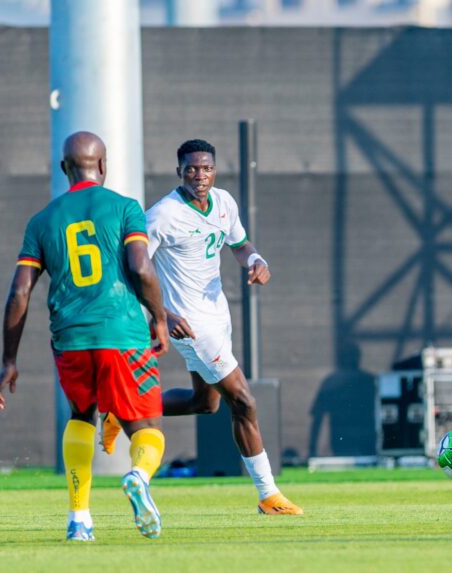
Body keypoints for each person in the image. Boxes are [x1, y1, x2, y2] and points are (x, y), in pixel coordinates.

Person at [103, 139, 302, 515]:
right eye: (192, 169)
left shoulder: (224, 202)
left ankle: (121, 407)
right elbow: (131, 266)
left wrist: (256, 260)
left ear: (215, 170)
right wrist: (161, 314)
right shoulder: (163, 215)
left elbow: (240, 245)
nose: (200, 175)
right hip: (190, 325)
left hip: (217, 315)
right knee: (243, 400)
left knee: (205, 403)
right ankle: (268, 493)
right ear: (179, 171)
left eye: (206, 168)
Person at [0, 131, 171, 541]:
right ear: (103, 166)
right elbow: (142, 269)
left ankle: (79, 521)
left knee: (80, 417)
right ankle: (139, 477)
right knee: (147, 428)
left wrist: (9, 360)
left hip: (70, 340)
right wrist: (159, 318)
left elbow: (20, 292)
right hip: (122, 334)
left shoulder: (42, 221)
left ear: (64, 169)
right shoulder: (125, 208)